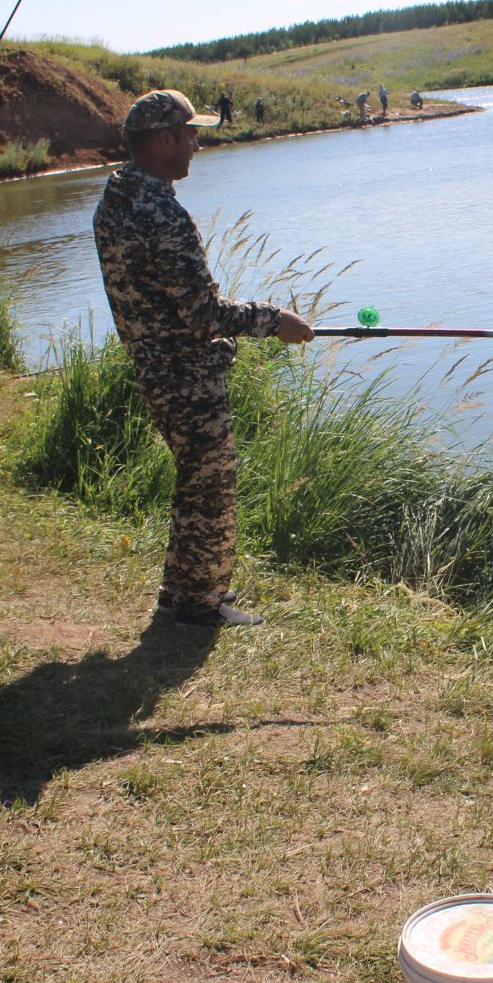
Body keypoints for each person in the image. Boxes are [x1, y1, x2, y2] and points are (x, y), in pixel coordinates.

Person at [92, 89, 314, 628]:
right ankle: (195, 604)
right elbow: (202, 312)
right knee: (209, 490)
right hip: (185, 374)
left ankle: (184, 596)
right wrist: (274, 320)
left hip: (156, 367)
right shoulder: (158, 212)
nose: (197, 144)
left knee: (195, 483)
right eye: (191, 134)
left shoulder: (116, 200)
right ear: (162, 139)